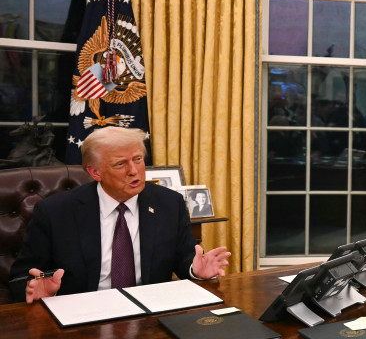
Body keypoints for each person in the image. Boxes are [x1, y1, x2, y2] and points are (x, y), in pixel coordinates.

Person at [10, 126, 230, 303]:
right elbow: (21, 277)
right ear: (95, 172)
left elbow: (183, 259)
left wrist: (195, 269)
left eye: (138, 159)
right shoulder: (56, 212)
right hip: (82, 315)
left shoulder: (169, 204)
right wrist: (37, 287)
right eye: (120, 164)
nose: (133, 171)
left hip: (149, 314)